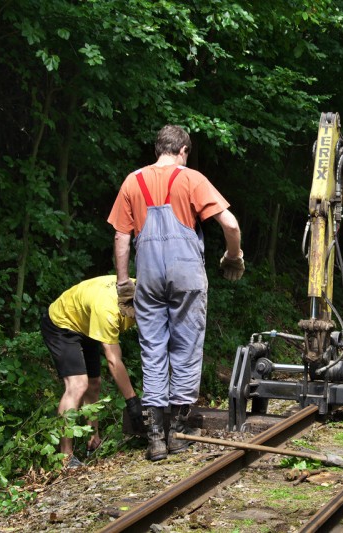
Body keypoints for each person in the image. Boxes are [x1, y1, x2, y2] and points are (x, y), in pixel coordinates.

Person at [108, 124, 244, 462]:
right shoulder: (191, 178)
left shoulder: (132, 182)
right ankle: (177, 434)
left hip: (149, 278)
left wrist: (124, 283)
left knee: (153, 351)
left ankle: (154, 439)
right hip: (186, 277)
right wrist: (233, 256)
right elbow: (230, 224)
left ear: (158, 149)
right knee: (185, 348)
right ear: (183, 150)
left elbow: (121, 239)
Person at [40, 275, 144, 469]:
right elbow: (113, 360)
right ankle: (65, 457)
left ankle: (92, 440)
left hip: (86, 322)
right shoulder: (108, 310)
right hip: (62, 324)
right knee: (78, 384)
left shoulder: (140, 288)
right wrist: (132, 400)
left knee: (94, 383)